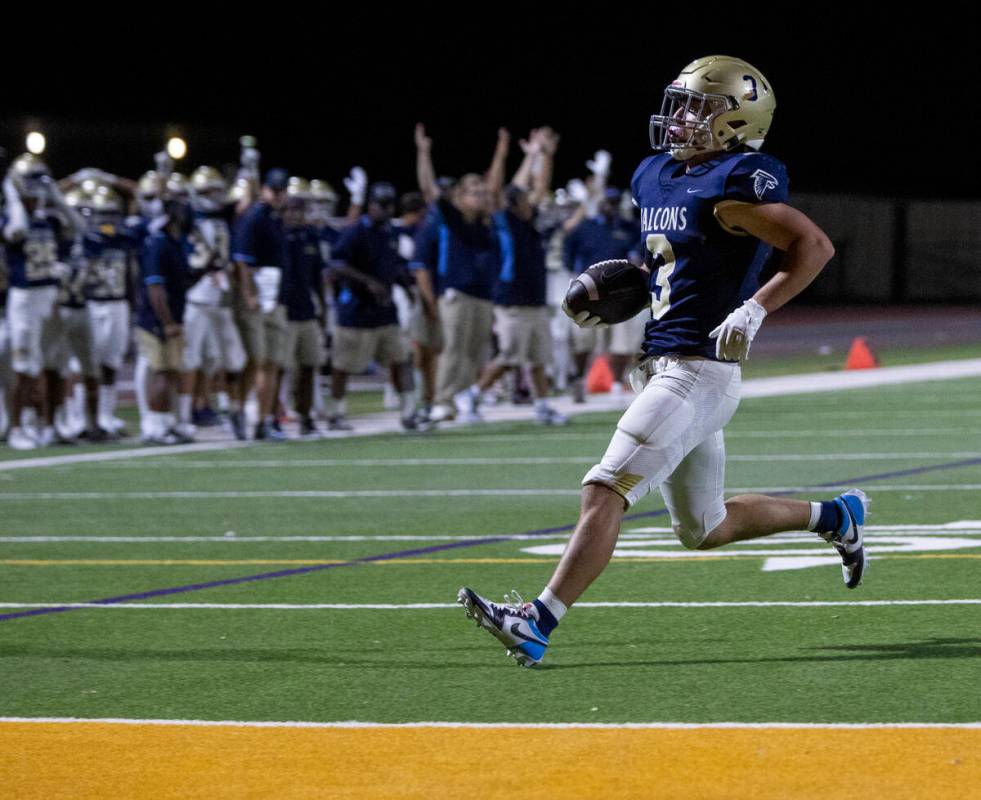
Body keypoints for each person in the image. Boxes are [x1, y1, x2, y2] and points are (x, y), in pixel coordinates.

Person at [458, 55, 868, 667]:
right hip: (663, 363)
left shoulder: (737, 181)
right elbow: (676, 259)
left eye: (697, 107)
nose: (680, 117)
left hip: (699, 369)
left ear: (736, 118)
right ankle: (835, 515)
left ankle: (536, 620)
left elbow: (814, 244)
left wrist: (755, 308)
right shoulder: (656, 176)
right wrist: (624, 284)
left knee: (605, 487)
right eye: (679, 104)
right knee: (703, 529)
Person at [328, 181, 420, 431]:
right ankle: (336, 413)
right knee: (343, 365)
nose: (388, 210)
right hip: (356, 309)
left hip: (385, 311)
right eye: (382, 205)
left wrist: (406, 288)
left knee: (401, 359)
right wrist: (367, 282)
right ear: (371, 205)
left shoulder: (389, 232)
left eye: (391, 205)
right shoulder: (355, 231)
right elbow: (336, 265)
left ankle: (410, 411)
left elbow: (395, 265)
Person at [231, 168, 290, 441]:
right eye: (274, 190)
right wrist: (248, 294)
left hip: (274, 295)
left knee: (272, 361)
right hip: (256, 293)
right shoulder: (254, 216)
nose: (277, 195)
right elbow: (241, 259)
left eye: (281, 190)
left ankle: (264, 421)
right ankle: (238, 408)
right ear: (265, 189)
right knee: (256, 358)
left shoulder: (277, 218)